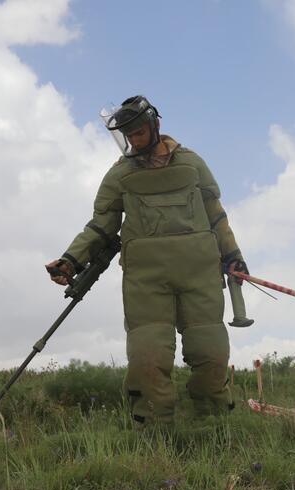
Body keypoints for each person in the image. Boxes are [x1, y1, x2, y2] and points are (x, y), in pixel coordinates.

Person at [46, 95, 247, 425]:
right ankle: (155, 433)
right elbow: (101, 225)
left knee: (211, 353)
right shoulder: (120, 175)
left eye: (138, 132)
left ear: (155, 126)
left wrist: (234, 256)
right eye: (128, 135)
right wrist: (71, 260)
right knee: (147, 358)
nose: (134, 140)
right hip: (146, 280)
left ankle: (211, 426)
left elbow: (216, 216)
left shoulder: (192, 164)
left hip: (201, 275)